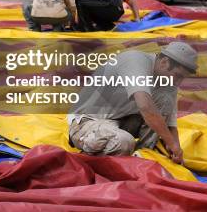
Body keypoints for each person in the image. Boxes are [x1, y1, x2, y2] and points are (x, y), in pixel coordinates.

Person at [68, 41, 198, 164]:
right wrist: (172, 144)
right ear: (164, 62)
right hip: (87, 121)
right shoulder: (135, 61)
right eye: (178, 75)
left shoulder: (169, 81)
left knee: (164, 103)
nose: (178, 82)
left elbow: (170, 123)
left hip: (122, 122)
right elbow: (145, 106)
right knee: (124, 142)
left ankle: (143, 155)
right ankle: (90, 154)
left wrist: (177, 150)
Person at [75, 0, 140, 31]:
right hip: (114, 11)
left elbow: (79, 13)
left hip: (111, 9)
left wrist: (137, 18)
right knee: (89, 8)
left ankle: (87, 29)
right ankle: (107, 26)